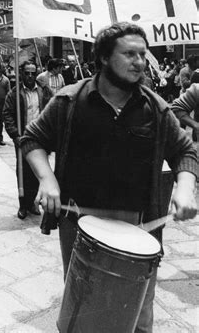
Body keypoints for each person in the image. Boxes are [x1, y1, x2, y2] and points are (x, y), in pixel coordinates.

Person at [21, 22, 197, 333]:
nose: (139, 62)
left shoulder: (154, 108)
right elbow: (33, 140)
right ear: (103, 58)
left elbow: (185, 152)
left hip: (139, 224)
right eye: (129, 54)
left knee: (138, 312)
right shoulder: (69, 101)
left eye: (142, 54)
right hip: (79, 222)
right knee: (85, 307)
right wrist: (47, 179)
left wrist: (185, 189)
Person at [3, 61, 52, 219]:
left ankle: (33, 203)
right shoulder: (15, 93)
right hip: (23, 138)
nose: (30, 76)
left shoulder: (44, 91)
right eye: (27, 73)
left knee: (38, 172)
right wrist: (15, 135)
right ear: (21, 73)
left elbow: (53, 109)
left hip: (39, 138)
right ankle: (23, 204)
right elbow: (7, 115)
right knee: (23, 173)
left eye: (33, 73)